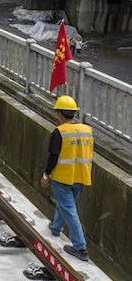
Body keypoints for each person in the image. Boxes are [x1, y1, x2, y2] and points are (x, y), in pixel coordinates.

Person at [41, 95, 93, 262]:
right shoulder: (87, 130)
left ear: (60, 114)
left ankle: (80, 247)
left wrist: (46, 174)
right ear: (73, 113)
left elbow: (53, 156)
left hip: (63, 177)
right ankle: (56, 227)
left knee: (69, 210)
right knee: (66, 206)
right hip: (81, 177)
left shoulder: (60, 132)